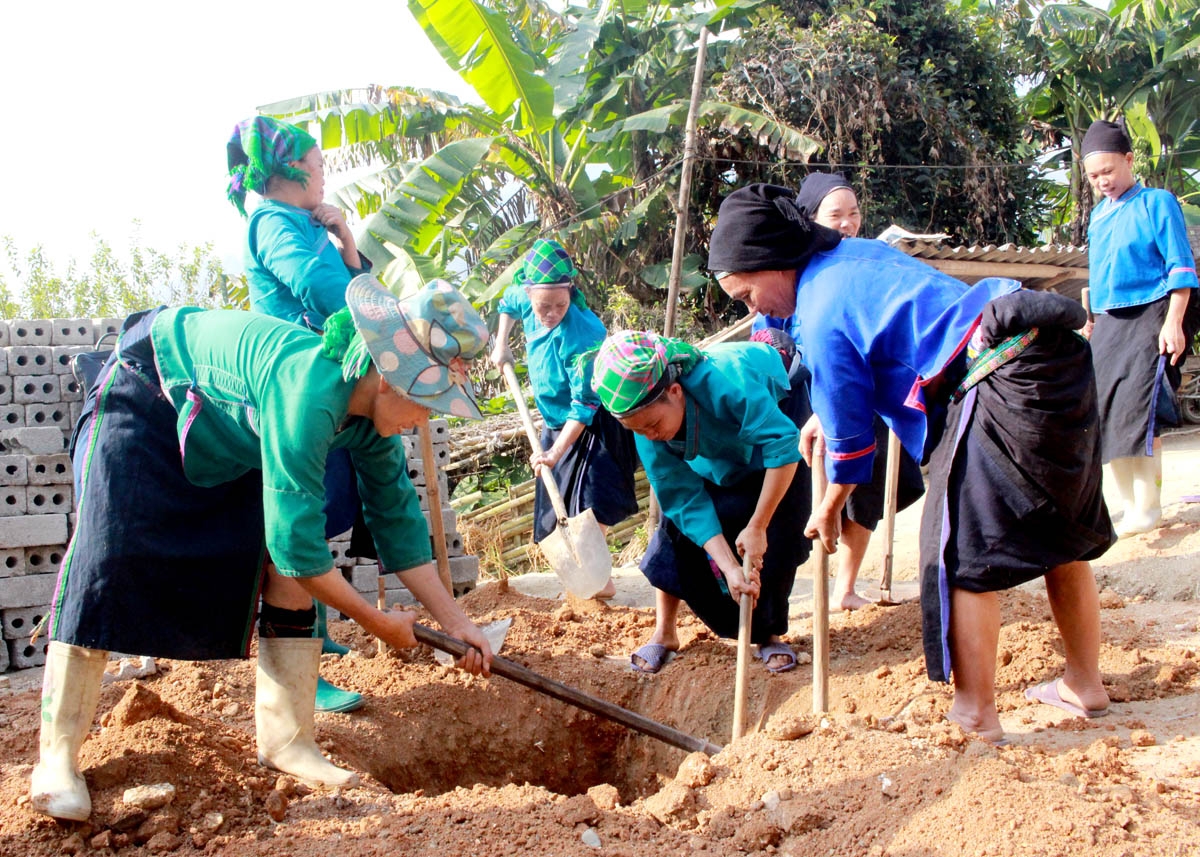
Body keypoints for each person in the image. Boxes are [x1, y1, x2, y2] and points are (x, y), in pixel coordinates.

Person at [32, 276, 495, 821]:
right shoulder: (307, 394)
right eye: (427, 403)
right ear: (390, 380)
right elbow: (298, 547)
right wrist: (376, 622)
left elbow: (398, 525)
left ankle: (288, 741)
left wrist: (457, 622)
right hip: (149, 392)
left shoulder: (371, 418)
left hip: (226, 435)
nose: (426, 420)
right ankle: (56, 758)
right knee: (106, 559)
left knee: (284, 571)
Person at [710, 182, 1115, 743]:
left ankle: (975, 715)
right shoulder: (853, 255)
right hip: (1050, 355)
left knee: (959, 558)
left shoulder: (819, 306)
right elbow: (886, 336)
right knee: (1059, 534)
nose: (752, 308)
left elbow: (853, 444)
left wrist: (828, 506)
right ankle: (1083, 683)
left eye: (747, 293)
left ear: (773, 262)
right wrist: (827, 414)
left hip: (998, 377)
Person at [228, 115, 375, 711]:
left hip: (321, 390)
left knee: (314, 518)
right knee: (292, 531)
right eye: (317, 167)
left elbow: (349, 286)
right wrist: (354, 279)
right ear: (289, 171)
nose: (323, 176)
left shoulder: (301, 222)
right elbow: (328, 292)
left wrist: (346, 240)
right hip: (292, 394)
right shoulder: (273, 223)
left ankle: (314, 635)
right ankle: (299, 670)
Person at [586, 330, 811, 674]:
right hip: (715, 449)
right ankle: (665, 631)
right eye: (638, 430)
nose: (650, 435)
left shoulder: (727, 378)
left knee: (777, 530)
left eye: (653, 424)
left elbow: (782, 445)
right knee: (674, 530)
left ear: (674, 391)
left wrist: (758, 525)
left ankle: (769, 633)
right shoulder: (648, 430)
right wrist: (729, 566)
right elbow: (682, 497)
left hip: (779, 426)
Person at [751, 172, 924, 610]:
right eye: (835, 215)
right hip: (807, 398)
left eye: (853, 214)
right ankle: (805, 591)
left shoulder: (862, 263)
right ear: (809, 221)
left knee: (862, 491)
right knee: (811, 498)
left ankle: (845, 588)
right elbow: (766, 348)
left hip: (864, 393)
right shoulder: (788, 278)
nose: (847, 224)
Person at [490, 239, 639, 598]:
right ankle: (589, 580)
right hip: (555, 421)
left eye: (560, 304)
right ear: (530, 294)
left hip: (594, 422)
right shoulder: (524, 298)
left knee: (591, 499)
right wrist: (501, 342)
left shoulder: (581, 334)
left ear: (571, 291)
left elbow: (584, 406)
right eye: (543, 306)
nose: (552, 313)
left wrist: (555, 453)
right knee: (557, 511)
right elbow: (506, 303)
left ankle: (599, 581)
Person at [1081, 119, 1199, 537]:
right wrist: (1093, 322)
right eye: (1094, 176)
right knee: (1105, 414)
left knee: (1137, 413)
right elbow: (1099, 276)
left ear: (1130, 160)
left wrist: (1174, 323)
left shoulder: (1157, 203)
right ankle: (1127, 507)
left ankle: (1148, 508)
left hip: (1152, 314)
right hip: (1111, 322)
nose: (1102, 182)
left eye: (1109, 171)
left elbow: (1180, 268)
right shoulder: (1097, 217)